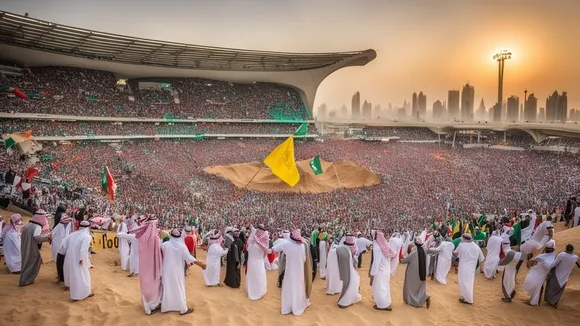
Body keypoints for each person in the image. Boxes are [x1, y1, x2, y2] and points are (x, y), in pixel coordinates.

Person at [160, 228, 206, 315]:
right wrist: (200, 264)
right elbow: (188, 257)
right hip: (177, 271)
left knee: (168, 288)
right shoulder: (182, 246)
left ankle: (166, 307)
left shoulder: (165, 245)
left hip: (166, 270)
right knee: (178, 288)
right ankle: (183, 309)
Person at [269, 229, 311, 316]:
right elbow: (304, 259)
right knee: (298, 289)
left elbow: (274, 249)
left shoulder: (287, 244)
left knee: (288, 289)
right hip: (299, 273)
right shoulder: (302, 246)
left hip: (290, 272)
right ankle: (297, 306)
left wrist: (268, 250)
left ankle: (287, 308)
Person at [130, 215, 163, 315]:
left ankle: (148, 303)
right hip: (154, 267)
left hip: (144, 267)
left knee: (146, 284)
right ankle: (153, 305)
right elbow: (158, 252)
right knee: (154, 285)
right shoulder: (154, 237)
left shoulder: (143, 236)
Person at [19, 209, 51, 286]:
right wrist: (47, 238)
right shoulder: (37, 227)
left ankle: (25, 279)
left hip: (25, 247)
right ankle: (26, 280)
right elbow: (37, 238)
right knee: (33, 262)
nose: (46, 219)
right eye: (45, 217)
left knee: (26, 263)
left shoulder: (28, 225)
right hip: (31, 248)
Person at [65, 220, 94, 301]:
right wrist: (82, 259)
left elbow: (65, 245)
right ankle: (84, 293)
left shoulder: (73, 234)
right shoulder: (87, 236)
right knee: (84, 276)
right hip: (79, 259)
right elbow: (83, 250)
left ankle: (76, 294)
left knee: (76, 276)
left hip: (71, 258)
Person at [523, 239, 557, 306]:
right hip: (537, 272)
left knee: (536, 287)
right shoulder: (546, 255)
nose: (548, 250)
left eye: (549, 249)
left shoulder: (551, 257)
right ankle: (533, 300)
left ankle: (533, 301)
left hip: (541, 274)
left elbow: (548, 266)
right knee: (532, 284)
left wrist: (539, 261)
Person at [454, 233, 484, 305]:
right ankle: (465, 296)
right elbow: (482, 259)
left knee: (463, 282)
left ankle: (469, 299)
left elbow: (455, 253)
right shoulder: (477, 247)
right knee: (468, 282)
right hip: (471, 268)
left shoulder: (461, 245)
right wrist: (481, 269)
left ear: (464, 238)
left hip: (463, 267)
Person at [544, 244, 578, 308]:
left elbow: (553, 265)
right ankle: (554, 302)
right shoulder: (575, 257)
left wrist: (546, 264)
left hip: (557, 273)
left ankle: (549, 300)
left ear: (566, 249)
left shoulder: (562, 255)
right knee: (559, 290)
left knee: (550, 287)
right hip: (565, 277)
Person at [370, 230, 397, 311]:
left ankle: (381, 305)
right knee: (385, 287)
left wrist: (372, 273)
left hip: (380, 271)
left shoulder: (377, 247)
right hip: (386, 269)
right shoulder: (386, 244)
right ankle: (386, 302)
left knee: (379, 288)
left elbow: (376, 262)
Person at [400, 237, 431, 308]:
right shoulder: (424, 249)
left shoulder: (414, 252)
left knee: (410, 286)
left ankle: (410, 300)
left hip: (412, 273)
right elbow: (430, 251)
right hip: (422, 273)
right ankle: (425, 297)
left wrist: (400, 260)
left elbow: (405, 260)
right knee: (420, 287)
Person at [336, 234, 362, 308]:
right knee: (353, 282)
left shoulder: (341, 249)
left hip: (344, 271)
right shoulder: (351, 249)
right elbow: (355, 261)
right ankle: (346, 301)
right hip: (350, 270)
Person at [246, 224, 268, 300]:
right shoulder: (263, 244)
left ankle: (251, 290)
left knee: (252, 276)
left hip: (251, 262)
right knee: (259, 276)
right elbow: (265, 251)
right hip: (259, 262)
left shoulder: (252, 242)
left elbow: (248, 249)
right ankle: (259, 291)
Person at [52, 214, 73, 284]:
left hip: (65, 249)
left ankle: (64, 280)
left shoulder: (70, 225)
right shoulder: (60, 225)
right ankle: (60, 277)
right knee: (59, 264)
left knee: (65, 265)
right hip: (59, 249)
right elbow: (52, 234)